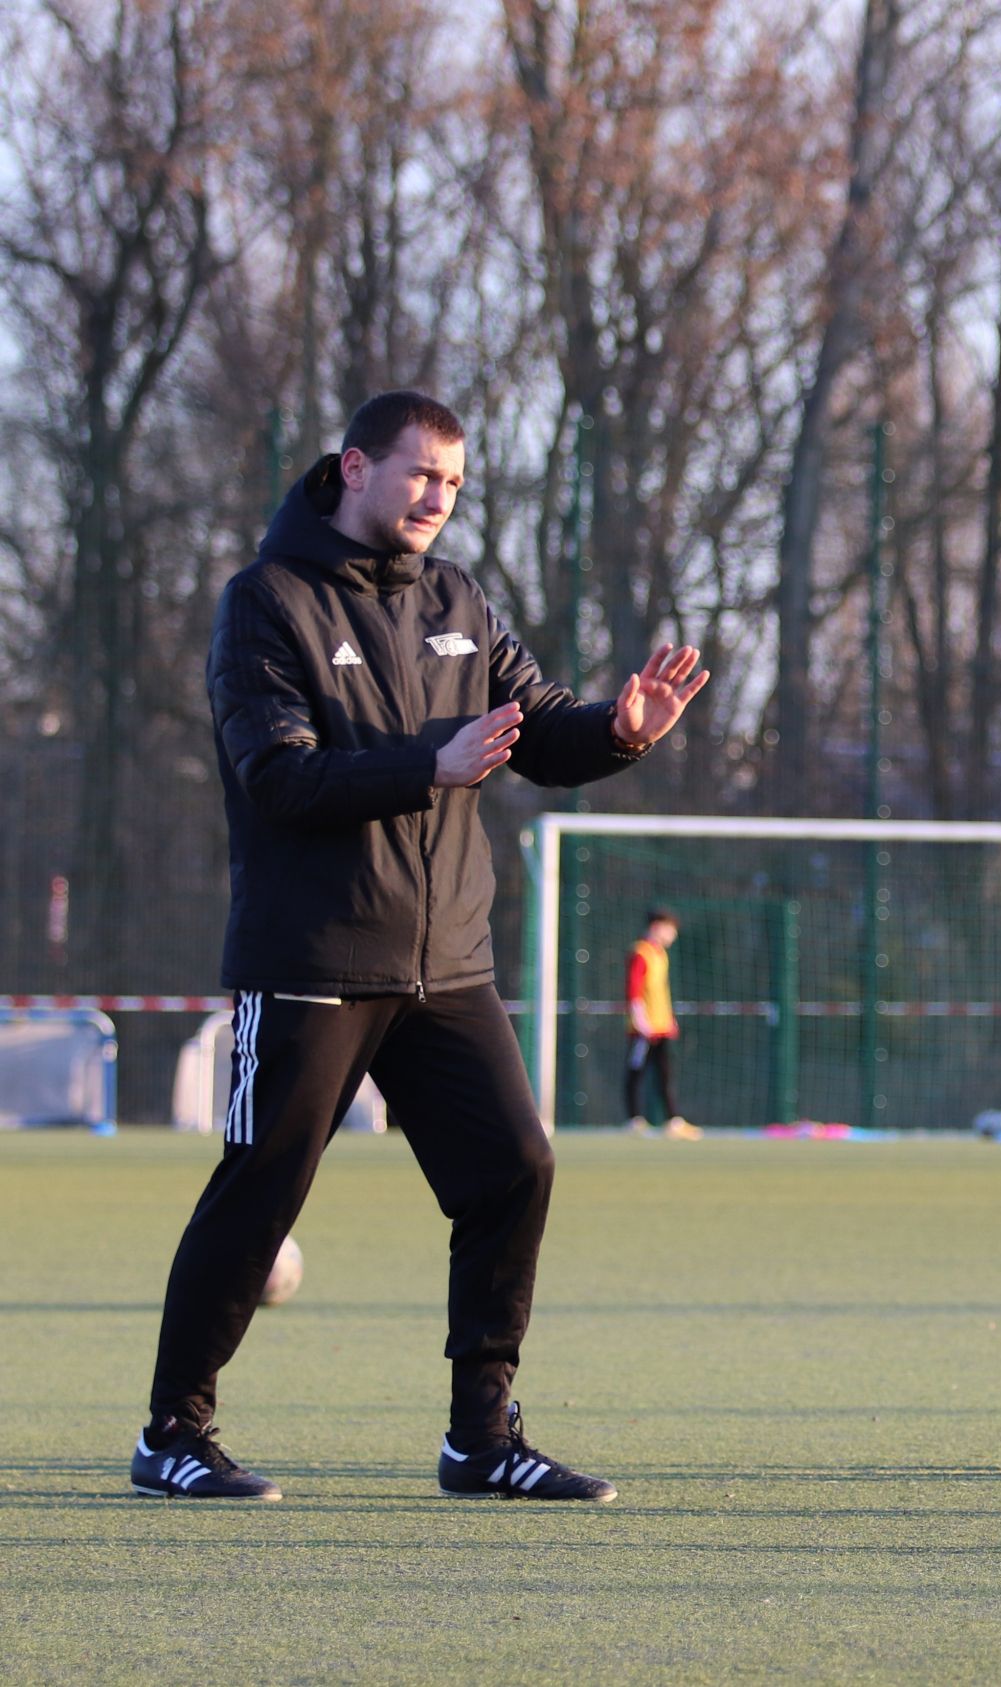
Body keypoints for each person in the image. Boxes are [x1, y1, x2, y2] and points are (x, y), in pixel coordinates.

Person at [137, 389, 708, 1502]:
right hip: (309, 961)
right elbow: (277, 775)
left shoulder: (457, 597)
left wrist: (618, 732)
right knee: (262, 1186)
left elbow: (536, 726)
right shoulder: (266, 602)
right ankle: (172, 1431)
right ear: (353, 470)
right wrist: (427, 764)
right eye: (418, 475)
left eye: (453, 483)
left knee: (515, 1170)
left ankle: (481, 1438)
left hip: (446, 964)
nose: (437, 500)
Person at [624, 909, 696, 1138]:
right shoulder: (641, 953)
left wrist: (669, 1019)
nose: (672, 935)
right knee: (636, 1072)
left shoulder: (660, 955)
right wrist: (641, 1022)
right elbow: (634, 991)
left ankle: (672, 1120)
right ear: (656, 926)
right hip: (644, 1029)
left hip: (661, 1026)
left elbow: (659, 992)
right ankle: (634, 1119)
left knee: (665, 1073)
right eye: (670, 929)